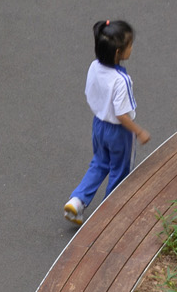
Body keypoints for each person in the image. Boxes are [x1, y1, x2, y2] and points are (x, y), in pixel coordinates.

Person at [60, 18, 150, 226]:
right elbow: (121, 114)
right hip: (119, 133)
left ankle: (78, 200)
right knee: (120, 173)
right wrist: (139, 131)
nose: (132, 48)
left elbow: (88, 92)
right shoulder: (122, 80)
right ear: (118, 53)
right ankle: (108, 216)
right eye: (129, 45)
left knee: (99, 163)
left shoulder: (94, 67)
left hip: (98, 125)